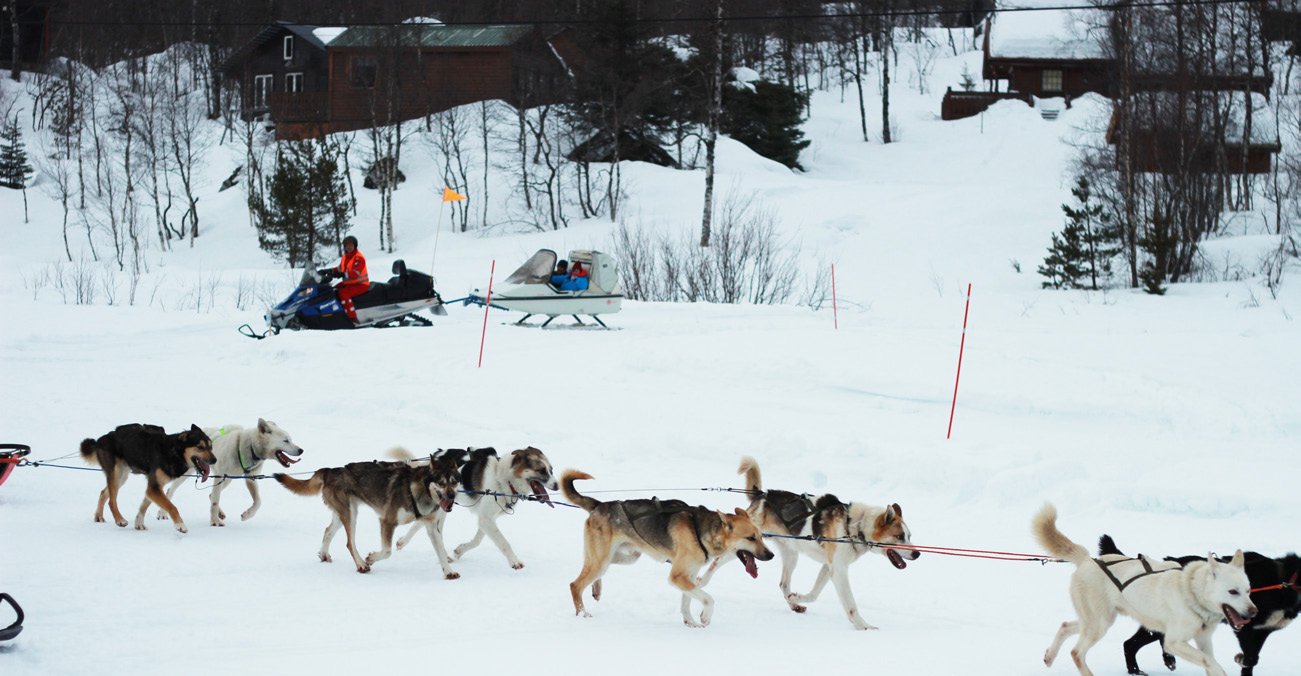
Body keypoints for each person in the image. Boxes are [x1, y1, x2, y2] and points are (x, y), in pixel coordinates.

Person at [320, 235, 370, 322]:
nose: (348, 247)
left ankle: (352, 318)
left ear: (355, 246)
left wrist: (341, 274)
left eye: (350, 245)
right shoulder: (346, 257)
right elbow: (340, 268)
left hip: (361, 284)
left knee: (343, 294)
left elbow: (355, 274)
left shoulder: (358, 258)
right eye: (346, 245)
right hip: (350, 283)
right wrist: (328, 271)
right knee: (332, 290)